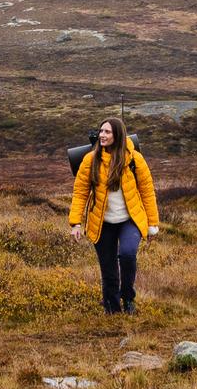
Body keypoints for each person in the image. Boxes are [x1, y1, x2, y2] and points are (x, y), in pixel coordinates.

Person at [63, 118, 163, 315]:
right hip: (102, 223)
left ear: (118, 135)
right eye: (101, 131)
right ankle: (112, 311)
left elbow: (147, 192)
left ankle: (128, 298)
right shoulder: (90, 160)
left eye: (107, 132)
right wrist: (75, 223)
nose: (102, 135)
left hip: (129, 220)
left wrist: (153, 224)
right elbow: (80, 192)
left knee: (127, 255)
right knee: (108, 270)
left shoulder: (134, 159)